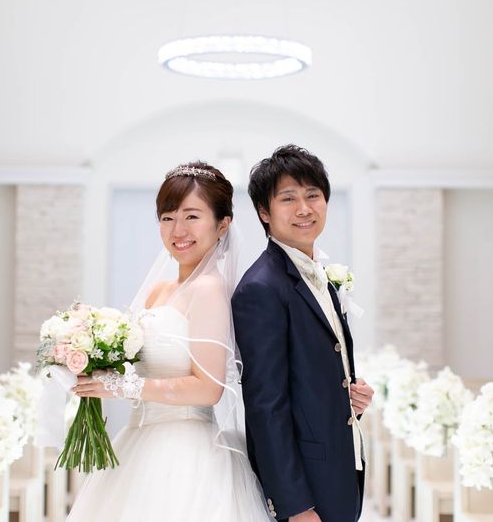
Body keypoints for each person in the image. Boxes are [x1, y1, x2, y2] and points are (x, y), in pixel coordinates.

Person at [67, 162, 271, 521]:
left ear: (222, 225)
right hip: (138, 439)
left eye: (192, 216)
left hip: (185, 450)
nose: (178, 230)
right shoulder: (160, 290)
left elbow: (209, 389)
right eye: (167, 217)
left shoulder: (209, 289)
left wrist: (121, 386)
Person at [232, 145, 374, 522]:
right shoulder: (261, 288)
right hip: (305, 489)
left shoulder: (318, 275)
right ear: (264, 212)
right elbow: (265, 406)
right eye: (288, 198)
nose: (304, 209)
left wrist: (350, 395)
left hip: (337, 467)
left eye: (313, 195)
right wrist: (295, 505)